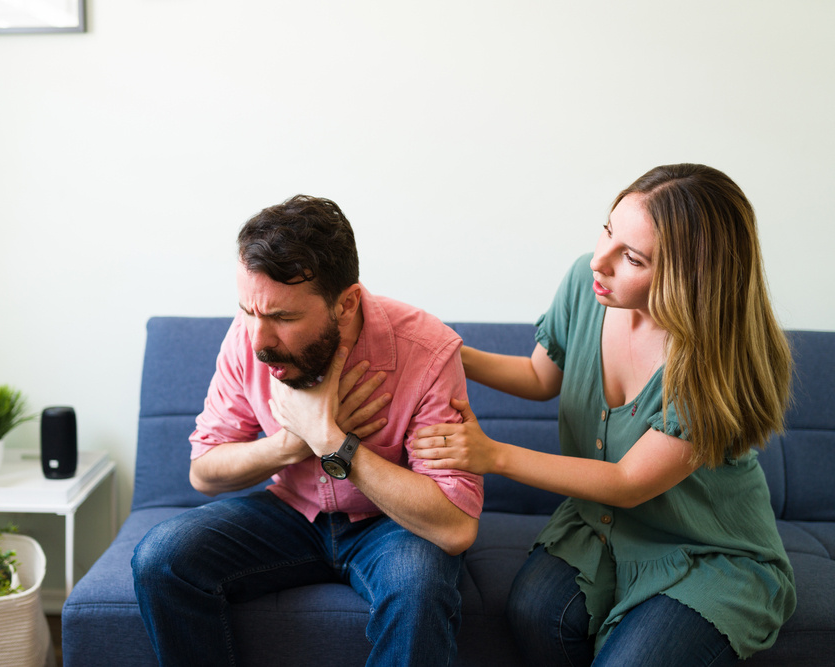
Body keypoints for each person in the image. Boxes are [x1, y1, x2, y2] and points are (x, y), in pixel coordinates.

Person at [413, 163, 796, 666]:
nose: (599, 260)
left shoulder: (712, 365)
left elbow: (628, 482)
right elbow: (539, 377)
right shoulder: (587, 284)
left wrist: (492, 455)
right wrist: (441, 347)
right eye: (608, 230)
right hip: (600, 529)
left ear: (690, 277)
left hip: (705, 551)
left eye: (631, 257)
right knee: (532, 612)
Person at [132, 194, 483, 666]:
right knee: (161, 559)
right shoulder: (248, 333)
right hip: (291, 513)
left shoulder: (427, 351)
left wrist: (332, 442)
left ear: (347, 303)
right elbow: (204, 471)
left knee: (418, 591)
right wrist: (291, 444)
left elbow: (456, 526)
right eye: (249, 312)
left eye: (283, 317)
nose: (259, 341)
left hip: (392, 525)